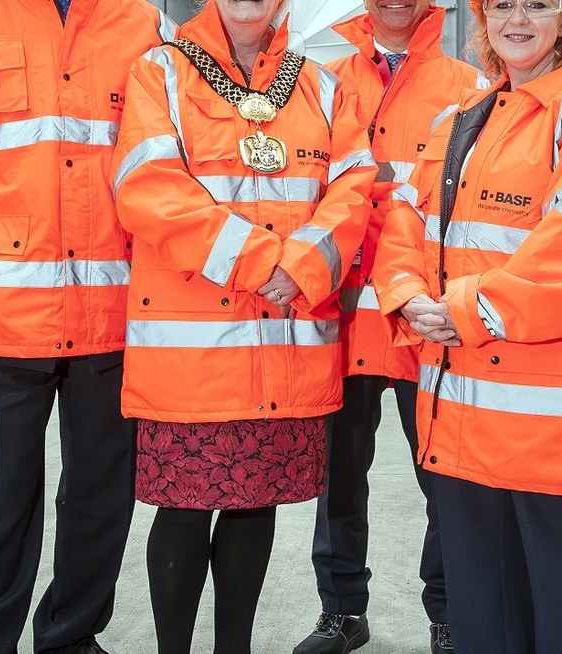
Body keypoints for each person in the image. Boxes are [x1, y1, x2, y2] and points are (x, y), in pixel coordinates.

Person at [372, 0, 562, 651]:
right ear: (482, 17)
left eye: (538, 3)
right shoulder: (459, 121)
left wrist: (457, 309)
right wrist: (403, 294)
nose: (519, 18)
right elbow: (401, 221)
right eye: (502, 3)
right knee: (483, 625)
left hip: (552, 438)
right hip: (459, 425)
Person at [0, 0, 176, 652]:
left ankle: (71, 638)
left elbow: (162, 165)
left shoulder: (146, 25)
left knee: (100, 499)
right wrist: (3, 246)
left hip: (111, 314)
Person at [109, 0, 376, 652]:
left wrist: (305, 266)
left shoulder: (323, 84)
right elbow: (148, 186)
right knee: (183, 507)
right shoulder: (161, 73)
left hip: (282, 339)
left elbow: (354, 188)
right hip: (193, 347)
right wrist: (263, 263)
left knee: (253, 501)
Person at [292, 3, 488, 654]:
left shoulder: (469, 86)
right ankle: (342, 611)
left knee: (445, 476)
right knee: (338, 478)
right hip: (344, 315)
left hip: (423, 317)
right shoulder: (325, 81)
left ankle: (450, 614)